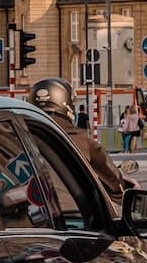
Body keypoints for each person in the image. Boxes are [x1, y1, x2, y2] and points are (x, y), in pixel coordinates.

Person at [29, 76, 127, 204]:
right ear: (65, 104)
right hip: (71, 215)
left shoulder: (18, 134)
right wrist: (120, 191)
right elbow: (111, 176)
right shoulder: (82, 141)